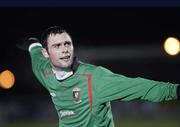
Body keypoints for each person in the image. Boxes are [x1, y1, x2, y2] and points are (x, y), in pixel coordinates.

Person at [17, 26, 180, 127]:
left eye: (68, 44)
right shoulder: (44, 71)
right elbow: (36, 53)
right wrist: (32, 43)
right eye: (57, 46)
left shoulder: (94, 78)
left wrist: (175, 90)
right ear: (46, 53)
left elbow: (141, 88)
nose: (65, 49)